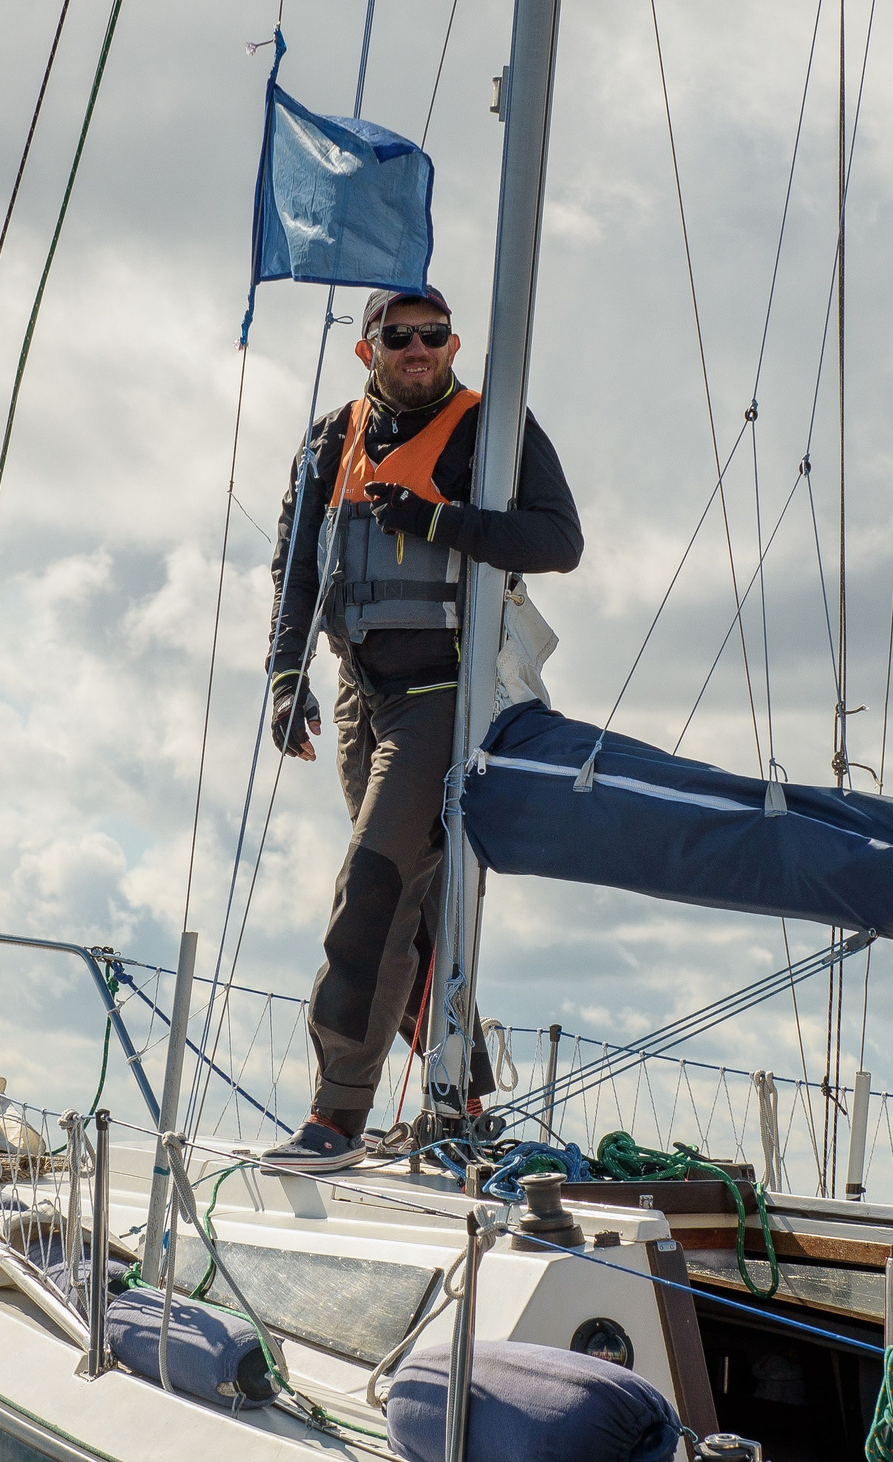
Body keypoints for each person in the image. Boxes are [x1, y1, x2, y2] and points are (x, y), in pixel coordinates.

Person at [255, 286, 584, 1173]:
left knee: (372, 883)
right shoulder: (331, 441)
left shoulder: (491, 429)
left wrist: (437, 519)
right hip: (360, 693)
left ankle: (336, 1115)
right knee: (417, 904)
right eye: (399, 337)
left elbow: (559, 541)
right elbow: (294, 569)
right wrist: (288, 678)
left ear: (452, 343)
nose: (418, 349)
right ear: (370, 350)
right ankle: (462, 1096)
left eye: (433, 336)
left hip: (446, 693)